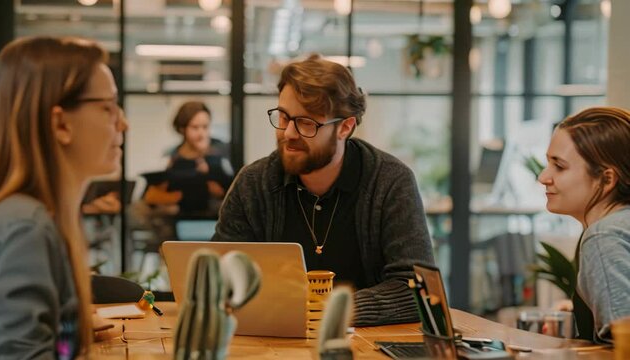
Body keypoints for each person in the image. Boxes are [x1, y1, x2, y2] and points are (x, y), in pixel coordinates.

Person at [212, 55, 434, 326]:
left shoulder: (389, 181)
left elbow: (417, 289)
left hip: (365, 346)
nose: (289, 133)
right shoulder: (254, 183)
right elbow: (222, 275)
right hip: (272, 340)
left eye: (306, 123)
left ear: (345, 127)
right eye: (283, 117)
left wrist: (332, 310)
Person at [0, 36, 128, 358]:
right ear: (60, 123)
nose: (123, 123)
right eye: (108, 107)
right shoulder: (28, 228)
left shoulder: (28, 217)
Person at [538, 106, 630, 342]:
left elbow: (625, 343)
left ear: (607, 179)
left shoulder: (603, 236)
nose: (543, 177)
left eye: (559, 166)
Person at [144, 101, 233, 217]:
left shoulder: (222, 151)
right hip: (178, 218)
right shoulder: (171, 156)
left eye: (205, 127)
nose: (201, 133)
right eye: (195, 127)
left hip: (215, 218)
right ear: (182, 129)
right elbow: (152, 195)